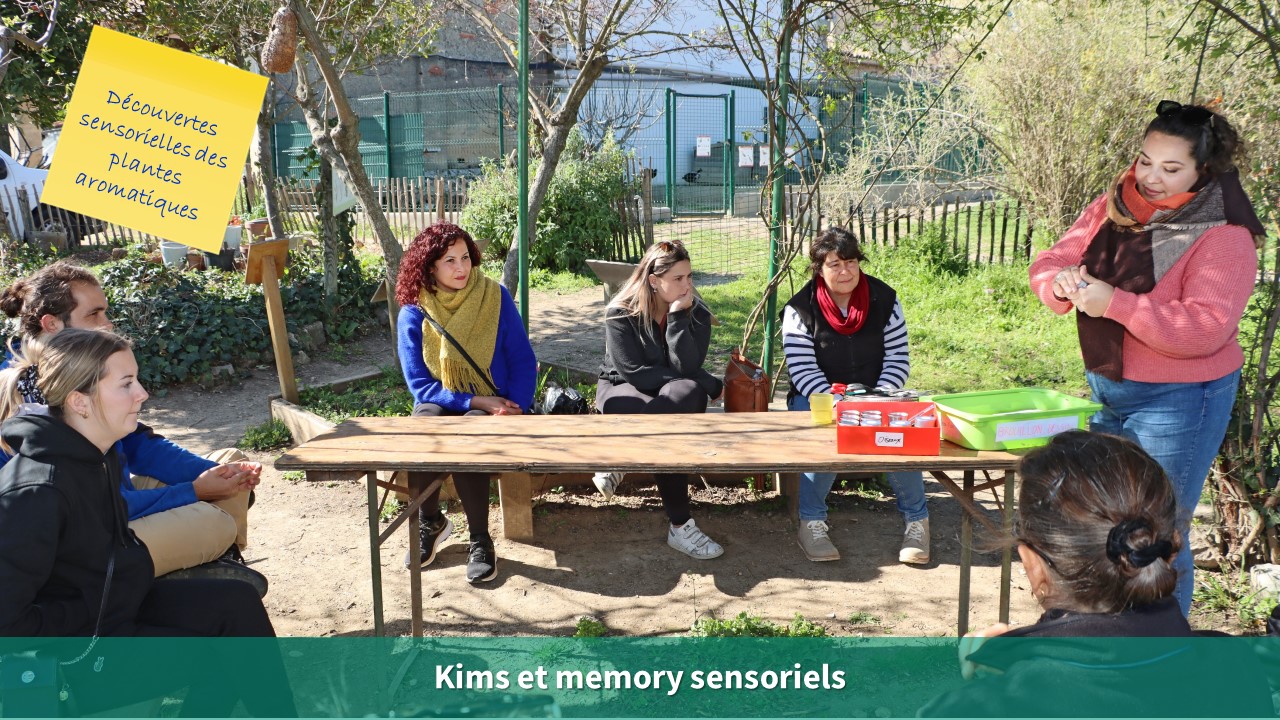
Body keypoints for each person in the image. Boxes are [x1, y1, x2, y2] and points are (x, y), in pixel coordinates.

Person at [1029, 101, 1266, 616]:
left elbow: (1204, 328)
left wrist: (1114, 303)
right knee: (1107, 524)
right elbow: (1052, 259)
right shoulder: (1114, 205)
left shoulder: (1224, 233)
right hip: (1109, 388)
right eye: (1144, 161)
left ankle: (1162, 650)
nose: (1151, 178)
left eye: (1171, 168)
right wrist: (1059, 283)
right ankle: (1115, 637)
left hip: (1181, 398)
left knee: (1158, 534)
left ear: (1205, 170)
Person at [0, 329, 296, 717]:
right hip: (76, 659)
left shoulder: (97, 456)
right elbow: (8, 623)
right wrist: (89, 608)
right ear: (79, 401)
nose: (142, 393)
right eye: (126, 384)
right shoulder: (36, 491)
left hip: (113, 613)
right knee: (228, 652)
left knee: (236, 603)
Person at [919, 431, 1273, 717]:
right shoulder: (1235, 667)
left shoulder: (983, 708)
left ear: (1031, 563)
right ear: (1171, 548)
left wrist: (988, 684)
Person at [0, 261, 264, 591]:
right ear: (52, 324)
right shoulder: (34, 398)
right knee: (215, 522)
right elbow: (96, 507)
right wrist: (196, 491)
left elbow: (142, 448)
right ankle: (199, 566)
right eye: (94, 314)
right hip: (87, 542)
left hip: (118, 506)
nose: (107, 324)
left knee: (229, 461)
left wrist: (221, 476)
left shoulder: (82, 371)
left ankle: (214, 561)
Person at [395, 222, 537, 583]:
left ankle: (480, 539)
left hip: (497, 402)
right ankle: (430, 521)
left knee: (470, 431)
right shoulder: (414, 311)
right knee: (425, 424)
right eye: (449, 261)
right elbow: (420, 385)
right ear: (429, 266)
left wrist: (514, 406)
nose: (461, 268)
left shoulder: (495, 296)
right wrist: (476, 399)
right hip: (448, 398)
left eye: (465, 258)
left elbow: (522, 359)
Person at [781, 227, 929, 564]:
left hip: (878, 393)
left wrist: (876, 400)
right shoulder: (799, 309)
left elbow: (898, 359)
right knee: (824, 431)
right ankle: (812, 522)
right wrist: (841, 406)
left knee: (901, 429)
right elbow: (803, 371)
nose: (845, 271)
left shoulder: (885, 300)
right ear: (819, 269)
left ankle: (917, 522)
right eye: (834, 264)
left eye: (850, 262)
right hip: (817, 397)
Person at [593, 240, 725, 559]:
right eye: (678, 278)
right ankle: (681, 526)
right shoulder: (620, 312)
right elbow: (636, 373)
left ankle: (623, 455)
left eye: (689, 276)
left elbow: (686, 367)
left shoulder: (696, 312)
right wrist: (706, 380)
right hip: (622, 389)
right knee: (667, 424)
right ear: (654, 280)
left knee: (687, 396)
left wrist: (678, 317)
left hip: (665, 397)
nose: (687, 285)